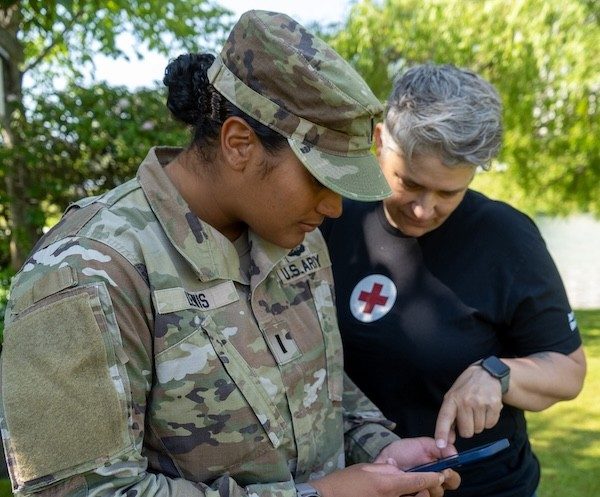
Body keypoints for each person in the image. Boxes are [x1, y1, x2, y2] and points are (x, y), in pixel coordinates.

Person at [0, 11, 462, 497]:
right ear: (239, 143)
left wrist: (376, 450)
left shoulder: (295, 235)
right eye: (322, 180)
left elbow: (318, 386)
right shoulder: (87, 270)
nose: (333, 207)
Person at [322, 63, 586, 497]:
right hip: (356, 482)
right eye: (408, 182)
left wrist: (498, 373)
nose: (424, 209)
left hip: (481, 485)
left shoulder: (505, 239)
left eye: (448, 193)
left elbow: (568, 371)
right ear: (378, 143)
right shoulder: (330, 216)